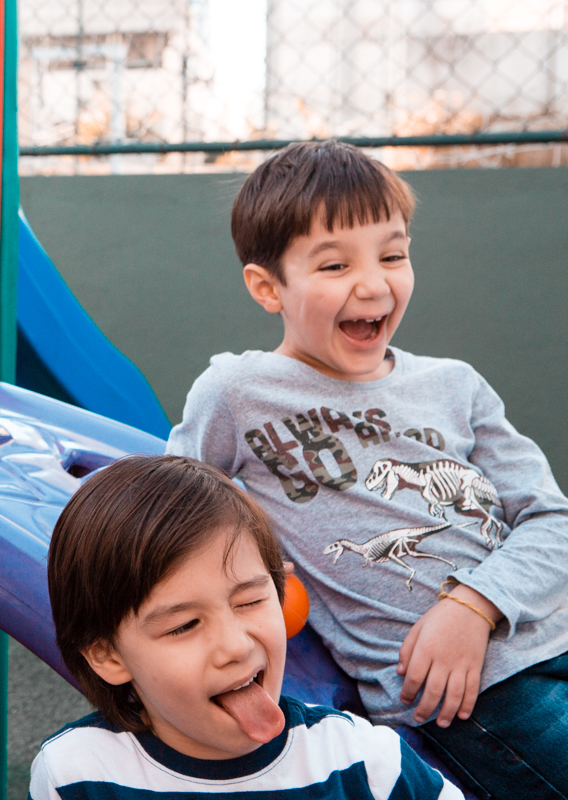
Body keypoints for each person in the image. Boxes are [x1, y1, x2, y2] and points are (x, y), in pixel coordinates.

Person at [165, 140, 568, 797]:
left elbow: (552, 520)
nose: (374, 283)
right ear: (269, 287)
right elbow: (169, 498)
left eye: (393, 254)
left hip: (537, 619)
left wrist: (474, 602)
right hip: (473, 690)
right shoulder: (241, 392)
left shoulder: (455, 385)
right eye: (333, 264)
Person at [33, 455, 459, 799]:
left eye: (251, 601)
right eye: (184, 625)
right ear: (107, 654)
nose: (235, 646)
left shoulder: (361, 760)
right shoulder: (77, 774)